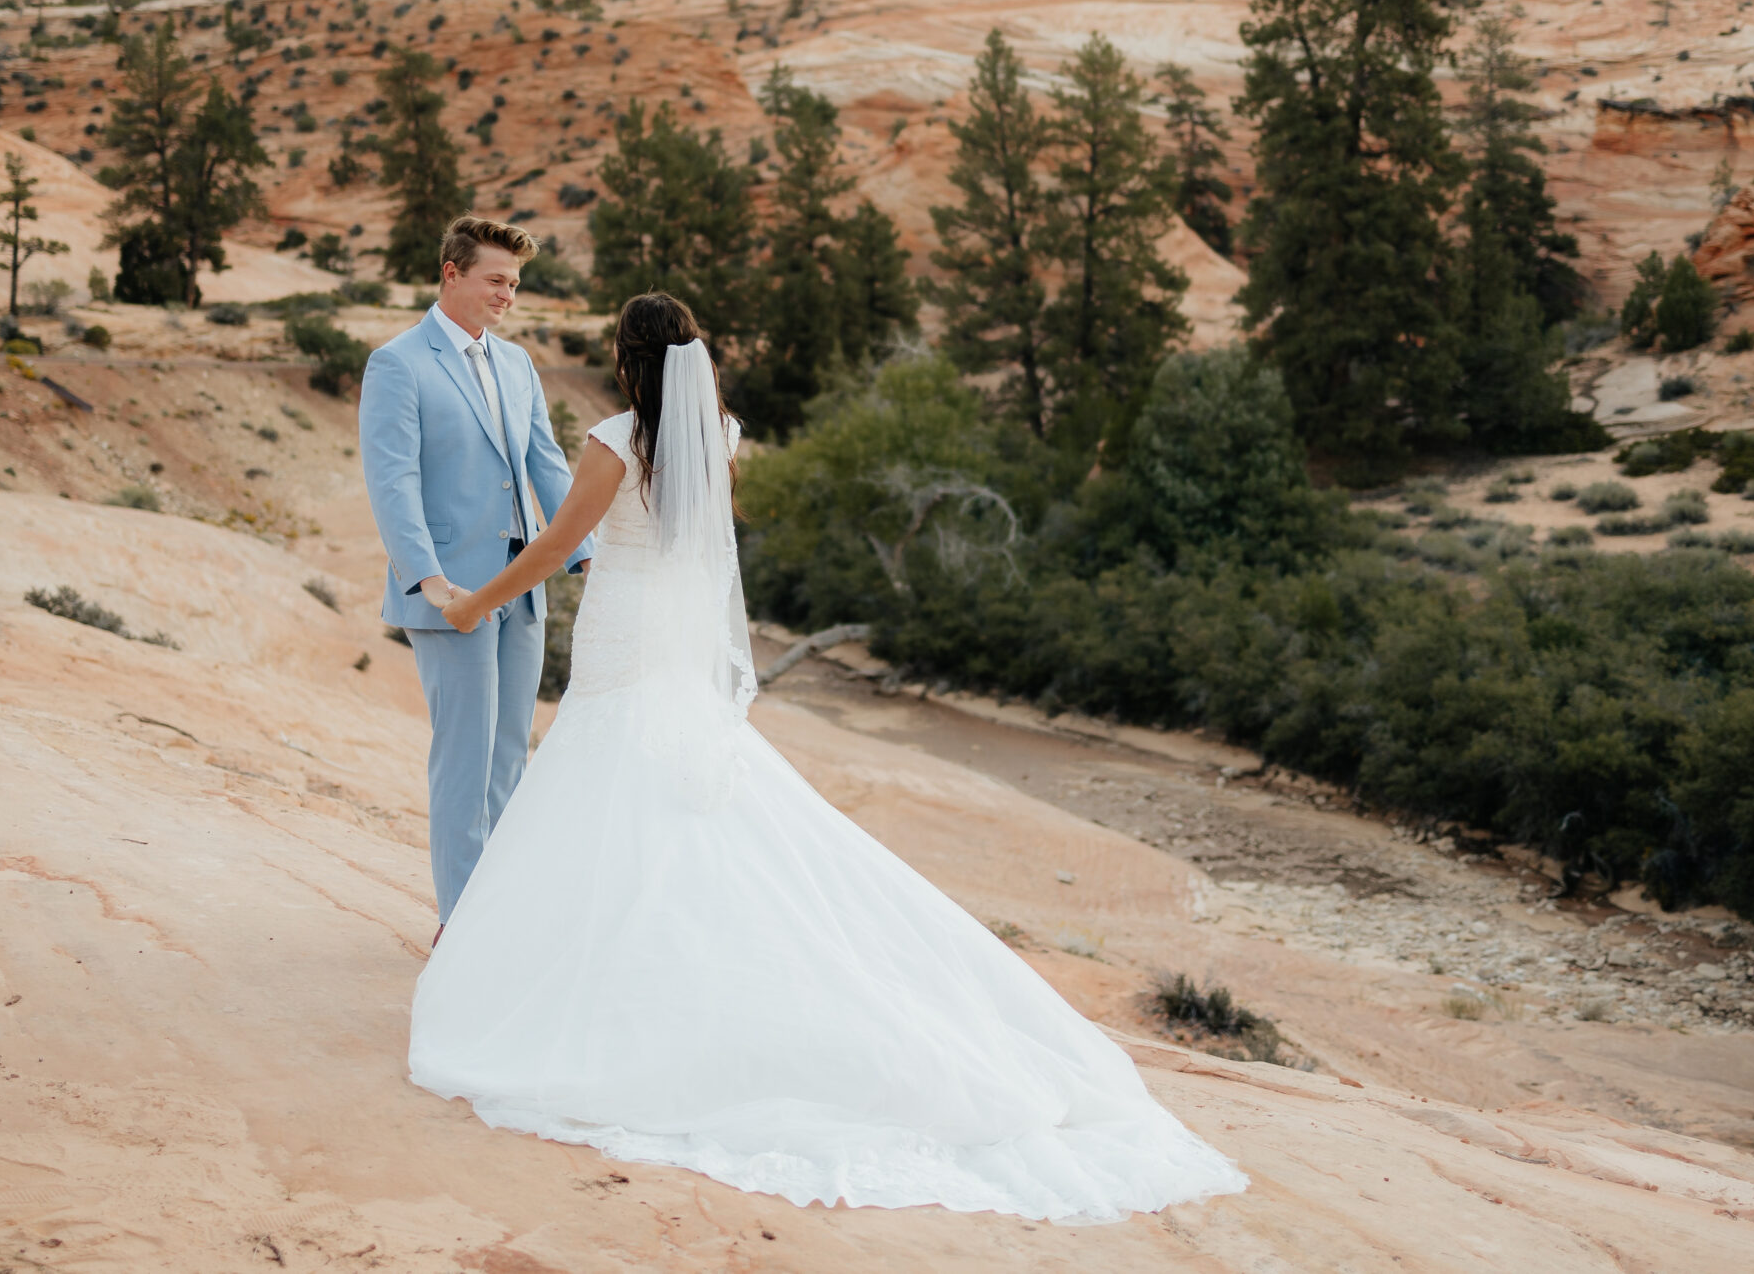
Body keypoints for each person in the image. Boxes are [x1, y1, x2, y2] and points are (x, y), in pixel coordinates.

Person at [406, 293, 1248, 1222]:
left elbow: (565, 544)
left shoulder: (613, 441)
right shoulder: (718, 434)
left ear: (625, 356)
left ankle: (592, 987)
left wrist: (473, 602)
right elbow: (698, 547)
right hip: (670, 648)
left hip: (620, 639)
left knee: (606, 794)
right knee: (672, 804)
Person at [358, 216, 590, 932]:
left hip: (522, 593)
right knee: (462, 764)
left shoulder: (518, 364)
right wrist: (429, 582)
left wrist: (587, 558)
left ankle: (497, 919)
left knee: (507, 761)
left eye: (515, 284)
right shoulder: (398, 363)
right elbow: (391, 483)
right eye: (496, 279)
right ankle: (462, 934)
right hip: (452, 593)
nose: (507, 295)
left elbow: (547, 464)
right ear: (451, 274)